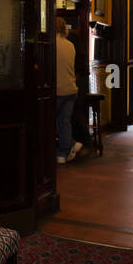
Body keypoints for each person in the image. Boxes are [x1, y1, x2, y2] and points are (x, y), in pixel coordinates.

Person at [55, 17, 82, 164]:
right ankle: (63, 153)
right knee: (64, 122)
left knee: (48, 122)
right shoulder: (70, 45)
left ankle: (65, 147)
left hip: (57, 90)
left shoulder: (50, 44)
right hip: (71, 89)